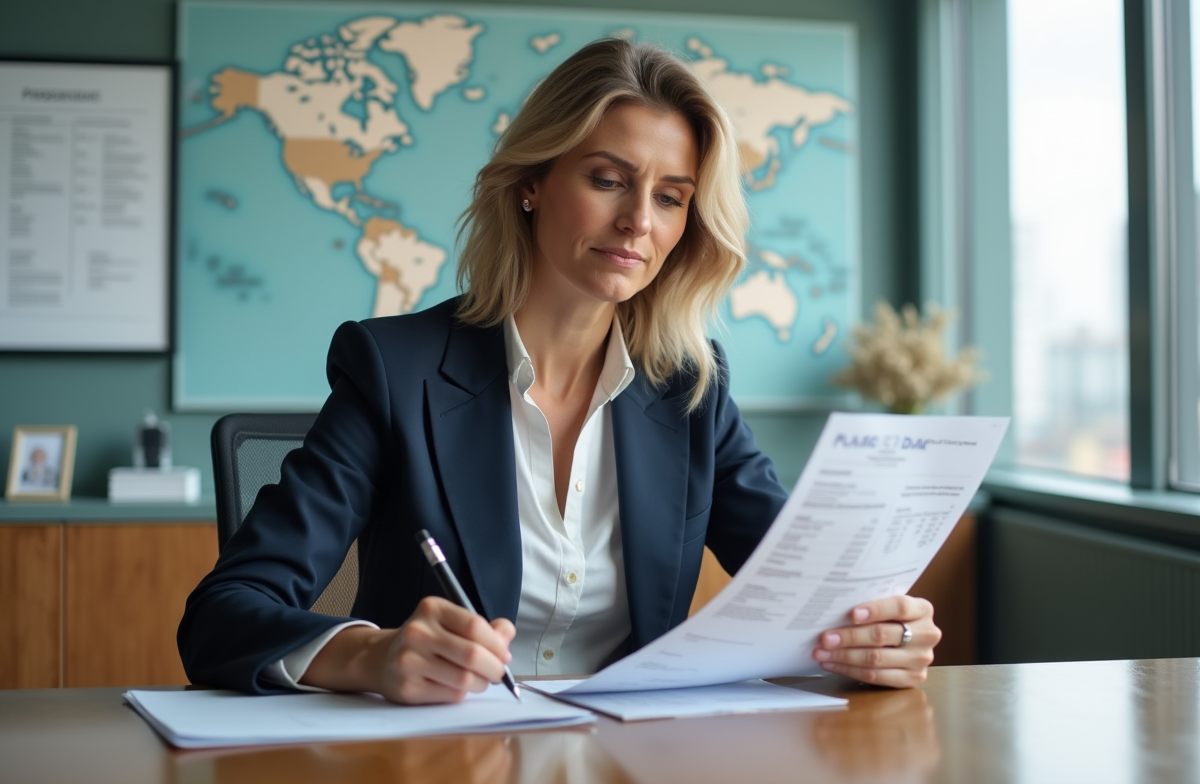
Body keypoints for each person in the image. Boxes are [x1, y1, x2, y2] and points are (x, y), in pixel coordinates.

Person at [178, 38, 940, 704]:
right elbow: (224, 615)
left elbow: (808, 595)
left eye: (671, 198)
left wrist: (879, 631)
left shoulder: (690, 387)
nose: (639, 221)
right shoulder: (393, 369)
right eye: (608, 180)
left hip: (631, 760)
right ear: (532, 183)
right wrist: (372, 656)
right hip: (442, 759)